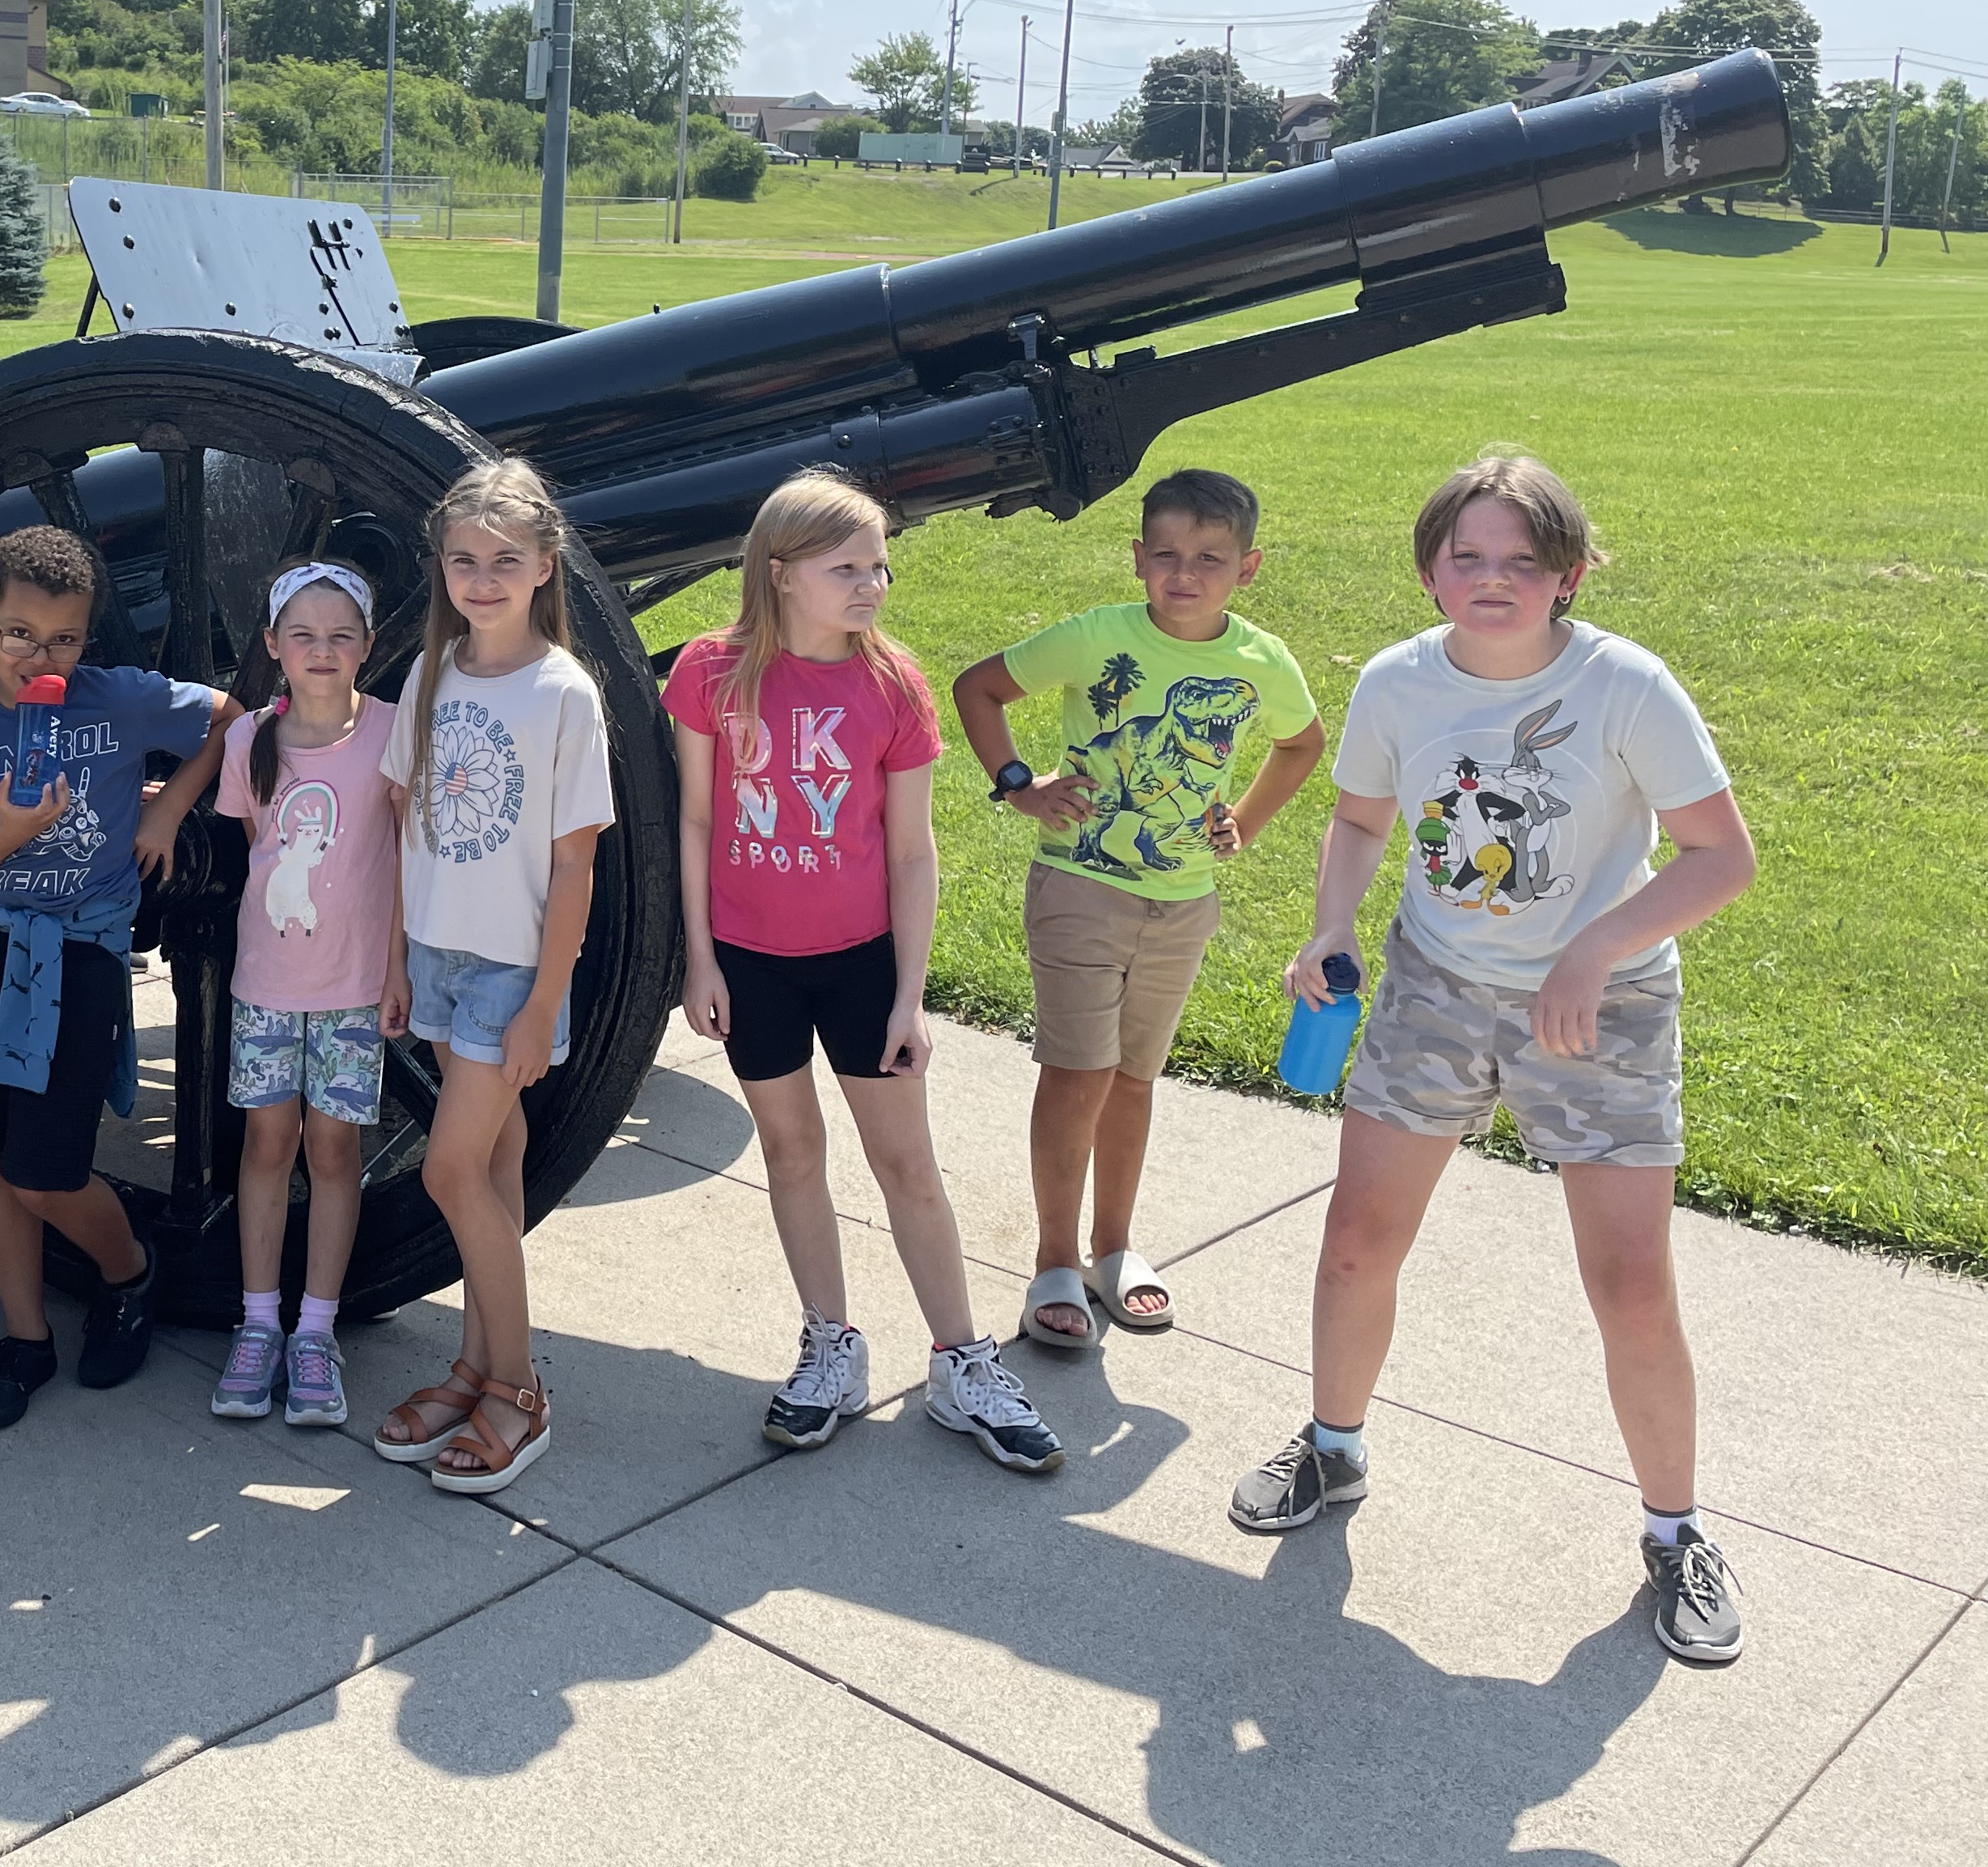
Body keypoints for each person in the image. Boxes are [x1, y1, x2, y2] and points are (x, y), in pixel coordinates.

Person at [1228, 454, 1756, 1668]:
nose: (1493, 579)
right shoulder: (1397, 683)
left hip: (1601, 1005)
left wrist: (1598, 949)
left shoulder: (1626, 686)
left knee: (1630, 1282)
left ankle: (1676, 1531)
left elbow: (1721, 857)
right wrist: (1330, 925)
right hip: (1435, 986)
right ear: (1430, 570)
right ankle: (1335, 1446)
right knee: (1358, 1240)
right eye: (1468, 557)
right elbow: (1363, 816)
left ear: (1568, 574)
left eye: (1523, 560)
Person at [669, 472, 1063, 1473]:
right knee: (792, 1154)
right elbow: (697, 822)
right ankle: (830, 1345)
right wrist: (700, 961)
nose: (872, 583)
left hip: (861, 965)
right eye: (846, 566)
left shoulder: (894, 685)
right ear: (781, 572)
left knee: (906, 1167)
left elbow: (911, 851)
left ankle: (962, 1362)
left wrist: (909, 995)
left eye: (880, 562)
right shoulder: (711, 674)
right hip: (751, 964)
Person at [949, 468, 1323, 1349]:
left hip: (1183, 902)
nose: (1184, 575)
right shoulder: (1096, 638)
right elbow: (979, 688)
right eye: (1165, 555)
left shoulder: (1259, 660)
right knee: (1078, 1073)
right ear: (1137, 559)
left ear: (1249, 567)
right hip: (1081, 888)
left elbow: (1301, 743)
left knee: (1131, 1078)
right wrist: (1018, 784)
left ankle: (1113, 1248)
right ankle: (1053, 1258)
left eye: (1209, 558)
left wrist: (1246, 820)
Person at [0, 524, 235, 1430]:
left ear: (88, 639)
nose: (37, 657)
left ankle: (128, 1272)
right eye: (17, 634)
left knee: (46, 1171)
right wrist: (2, 838)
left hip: (81, 956)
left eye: (62, 640)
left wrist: (172, 807)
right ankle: (24, 1336)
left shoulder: (118, 702)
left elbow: (227, 716)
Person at [368, 460, 612, 1496]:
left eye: (504, 562)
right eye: (462, 560)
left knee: (448, 1173)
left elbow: (574, 864)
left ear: (544, 568)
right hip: (436, 953)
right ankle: (473, 1366)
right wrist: (393, 964)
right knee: (496, 1168)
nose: (480, 579)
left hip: (511, 970)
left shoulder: (564, 695)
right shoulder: (431, 672)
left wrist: (545, 1006)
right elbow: (401, 828)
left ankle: (518, 1389)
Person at [207, 561, 402, 1430]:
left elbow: (399, 862)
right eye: (303, 637)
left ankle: (315, 1330)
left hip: (356, 986)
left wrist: (395, 969)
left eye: (340, 637)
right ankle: (259, 1323)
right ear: (273, 647)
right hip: (270, 983)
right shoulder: (252, 739)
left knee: (333, 1151)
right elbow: (259, 846)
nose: (321, 653)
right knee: (267, 1144)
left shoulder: (392, 736)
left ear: (367, 646)